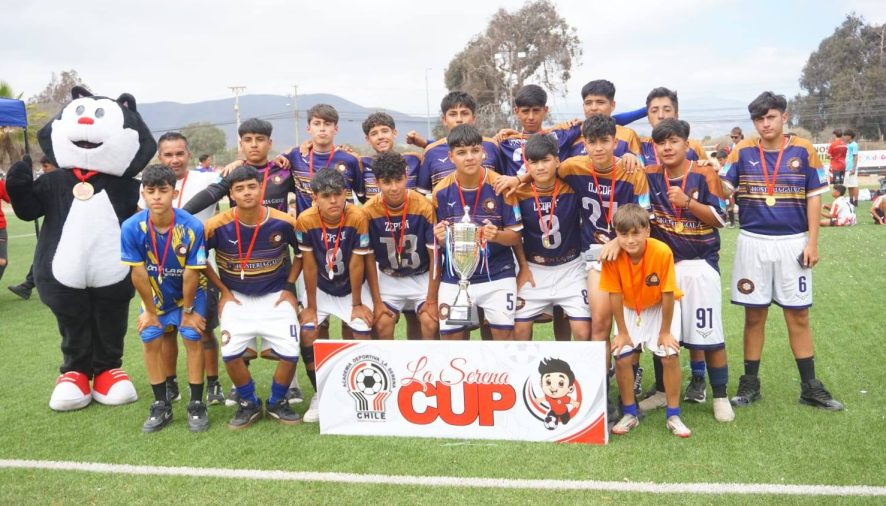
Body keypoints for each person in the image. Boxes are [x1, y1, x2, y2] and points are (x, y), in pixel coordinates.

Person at [721, 91, 842, 411]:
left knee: (798, 315)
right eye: (759, 119)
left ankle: (810, 387)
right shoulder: (742, 150)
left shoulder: (803, 149)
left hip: (793, 243)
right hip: (753, 241)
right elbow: (723, 189)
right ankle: (750, 384)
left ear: (784, 117)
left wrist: (812, 242)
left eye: (771, 117)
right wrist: (708, 172)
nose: (765, 124)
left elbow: (814, 197)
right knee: (754, 315)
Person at [183, 118, 305, 406]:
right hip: (238, 261)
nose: (254, 145)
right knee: (242, 339)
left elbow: (309, 185)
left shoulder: (283, 169)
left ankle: (291, 385)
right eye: (248, 140)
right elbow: (211, 195)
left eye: (259, 139)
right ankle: (242, 388)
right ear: (240, 144)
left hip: (276, 257)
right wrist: (182, 215)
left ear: (269, 143)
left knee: (286, 332)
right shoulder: (232, 174)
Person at [637, 119, 734, 423]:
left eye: (673, 141)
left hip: (701, 264)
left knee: (709, 333)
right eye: (661, 143)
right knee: (662, 333)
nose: (667, 147)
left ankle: (720, 396)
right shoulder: (650, 175)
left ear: (686, 144)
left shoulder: (704, 174)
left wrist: (688, 202)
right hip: (664, 266)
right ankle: (662, 391)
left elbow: (721, 219)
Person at [202, 165, 303, 429]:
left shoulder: (284, 221)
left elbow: (302, 254)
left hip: (276, 296)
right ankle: (249, 403)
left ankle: (277, 402)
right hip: (236, 297)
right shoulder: (215, 225)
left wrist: (289, 287)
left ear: (261, 189)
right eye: (239, 189)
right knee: (230, 354)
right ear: (231, 195)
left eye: (251, 187)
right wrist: (223, 291)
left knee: (290, 353)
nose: (246, 193)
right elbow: (200, 260)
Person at [120, 165, 209, 433]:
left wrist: (189, 311)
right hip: (155, 297)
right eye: (151, 191)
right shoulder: (131, 227)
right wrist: (150, 311)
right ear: (143, 194)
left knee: (192, 336)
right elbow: (138, 273)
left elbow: (192, 274)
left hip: (189, 295)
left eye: (163, 190)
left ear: (175, 192)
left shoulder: (192, 226)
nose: (157, 196)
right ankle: (161, 404)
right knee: (150, 337)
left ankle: (196, 404)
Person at [139, 132, 225, 406]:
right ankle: (170, 384)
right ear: (159, 157)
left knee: (203, 330)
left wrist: (236, 164)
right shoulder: (150, 184)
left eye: (179, 153)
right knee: (166, 331)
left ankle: (213, 383)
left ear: (189, 154)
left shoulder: (206, 179)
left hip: (199, 270)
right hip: (160, 275)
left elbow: (234, 176)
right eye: (168, 154)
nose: (174, 159)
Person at [495, 84, 582, 342]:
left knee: (570, 319)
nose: (531, 116)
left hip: (568, 255)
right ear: (516, 112)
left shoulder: (560, 137)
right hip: (529, 245)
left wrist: (629, 155)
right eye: (525, 111)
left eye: (536, 110)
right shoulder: (504, 141)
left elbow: (601, 123)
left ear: (545, 110)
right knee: (517, 326)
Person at [601, 203, 690, 438]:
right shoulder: (611, 256)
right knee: (622, 357)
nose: (630, 240)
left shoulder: (662, 252)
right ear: (616, 234)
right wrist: (622, 331)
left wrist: (665, 332)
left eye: (635, 233)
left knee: (669, 356)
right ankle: (630, 413)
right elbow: (614, 294)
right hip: (630, 308)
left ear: (647, 231)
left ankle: (674, 415)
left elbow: (668, 293)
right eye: (623, 235)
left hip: (661, 307)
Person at [430, 124, 523, 340]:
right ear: (451, 157)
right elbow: (441, 244)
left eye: (474, 150)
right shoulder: (440, 192)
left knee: (503, 338)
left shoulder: (501, 186)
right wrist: (442, 238)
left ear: (483, 152)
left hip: (497, 274)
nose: (470, 157)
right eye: (461, 152)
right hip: (456, 276)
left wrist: (496, 235)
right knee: (453, 339)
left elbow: (516, 236)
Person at [296, 169, 374, 423]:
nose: (333, 201)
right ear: (314, 198)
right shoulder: (305, 219)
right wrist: (311, 306)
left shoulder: (357, 216)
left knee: (362, 329)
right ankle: (321, 392)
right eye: (326, 196)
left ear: (345, 194)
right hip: (321, 287)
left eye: (338, 194)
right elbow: (308, 266)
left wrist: (356, 303)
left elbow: (356, 264)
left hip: (352, 288)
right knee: (308, 332)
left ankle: (358, 391)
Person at [511, 134, 590, 341]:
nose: (540, 167)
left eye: (545, 160)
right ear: (527, 165)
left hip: (571, 267)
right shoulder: (518, 193)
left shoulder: (573, 186)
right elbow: (515, 234)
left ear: (557, 161)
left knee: (583, 331)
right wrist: (523, 267)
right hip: (534, 268)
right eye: (534, 162)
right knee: (519, 330)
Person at [362, 151, 438, 339]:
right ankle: (388, 360)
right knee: (382, 323)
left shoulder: (423, 206)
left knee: (431, 321)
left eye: (398, 180)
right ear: (377, 182)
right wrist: (377, 302)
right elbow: (369, 260)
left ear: (406, 177)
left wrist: (431, 299)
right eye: (387, 182)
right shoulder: (368, 211)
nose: (394, 188)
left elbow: (435, 256)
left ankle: (426, 359)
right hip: (388, 276)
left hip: (421, 275)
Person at [285, 104, 365, 215]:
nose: (322, 129)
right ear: (309, 129)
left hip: (343, 224)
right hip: (306, 224)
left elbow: (363, 197)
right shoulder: (295, 156)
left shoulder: (350, 160)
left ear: (335, 129)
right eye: (316, 124)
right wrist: (280, 156)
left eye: (327, 124)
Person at [417, 91, 504, 193]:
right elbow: (423, 196)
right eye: (453, 114)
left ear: (473, 118)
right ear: (444, 120)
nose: (459, 119)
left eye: (464, 113)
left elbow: (505, 183)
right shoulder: (431, 152)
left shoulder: (492, 146)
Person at [9, 156, 57, 300]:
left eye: (46, 166)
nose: (43, 170)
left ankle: (28, 285)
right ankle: (28, 285)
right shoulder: (47, 183)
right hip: (54, 228)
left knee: (49, 255)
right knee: (46, 255)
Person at [563, 80, 642, 160]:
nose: (593, 108)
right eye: (588, 103)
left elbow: (641, 164)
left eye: (600, 102)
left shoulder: (628, 135)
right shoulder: (571, 135)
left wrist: (632, 159)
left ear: (612, 105)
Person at [639, 87, 710, 166]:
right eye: (654, 111)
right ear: (648, 118)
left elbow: (708, 170)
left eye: (667, 110)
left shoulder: (693, 147)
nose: (661, 116)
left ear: (676, 115)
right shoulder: (640, 146)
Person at [360, 112, 423, 194]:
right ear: (368, 139)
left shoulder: (413, 160)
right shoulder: (362, 164)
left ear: (394, 133)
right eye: (374, 134)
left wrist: (425, 144)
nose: (380, 137)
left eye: (385, 131)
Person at [844, 129, 860, 208]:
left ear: (850, 136)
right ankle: (851, 200)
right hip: (847, 168)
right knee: (849, 185)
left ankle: (856, 201)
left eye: (846, 136)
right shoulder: (847, 145)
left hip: (852, 168)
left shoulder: (854, 145)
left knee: (854, 184)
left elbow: (855, 157)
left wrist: (853, 168)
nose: (844, 137)